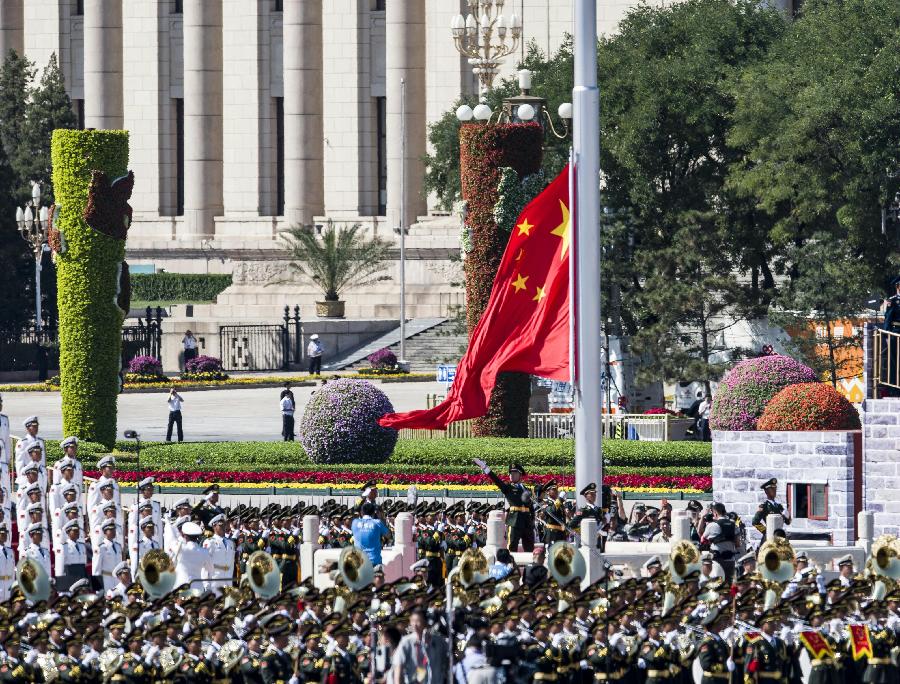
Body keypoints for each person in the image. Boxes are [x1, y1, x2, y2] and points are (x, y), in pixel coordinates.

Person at [473, 459, 535, 552]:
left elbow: (531, 507)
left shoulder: (527, 489)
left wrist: (532, 519)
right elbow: (496, 480)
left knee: (530, 547)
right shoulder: (508, 488)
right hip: (515, 520)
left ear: (520, 475)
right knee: (512, 546)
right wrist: (485, 468)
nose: (511, 475)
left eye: (514, 473)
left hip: (527, 521)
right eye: (510, 473)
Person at [393, 608, 448, 684]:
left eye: (418, 621)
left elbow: (447, 663)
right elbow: (398, 668)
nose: (415, 624)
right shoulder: (406, 642)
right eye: (412, 621)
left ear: (425, 622)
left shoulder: (438, 641)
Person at [352, 502, 390, 567]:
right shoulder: (377, 522)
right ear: (373, 512)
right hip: (374, 561)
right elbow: (388, 535)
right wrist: (381, 519)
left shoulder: (355, 522)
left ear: (362, 512)